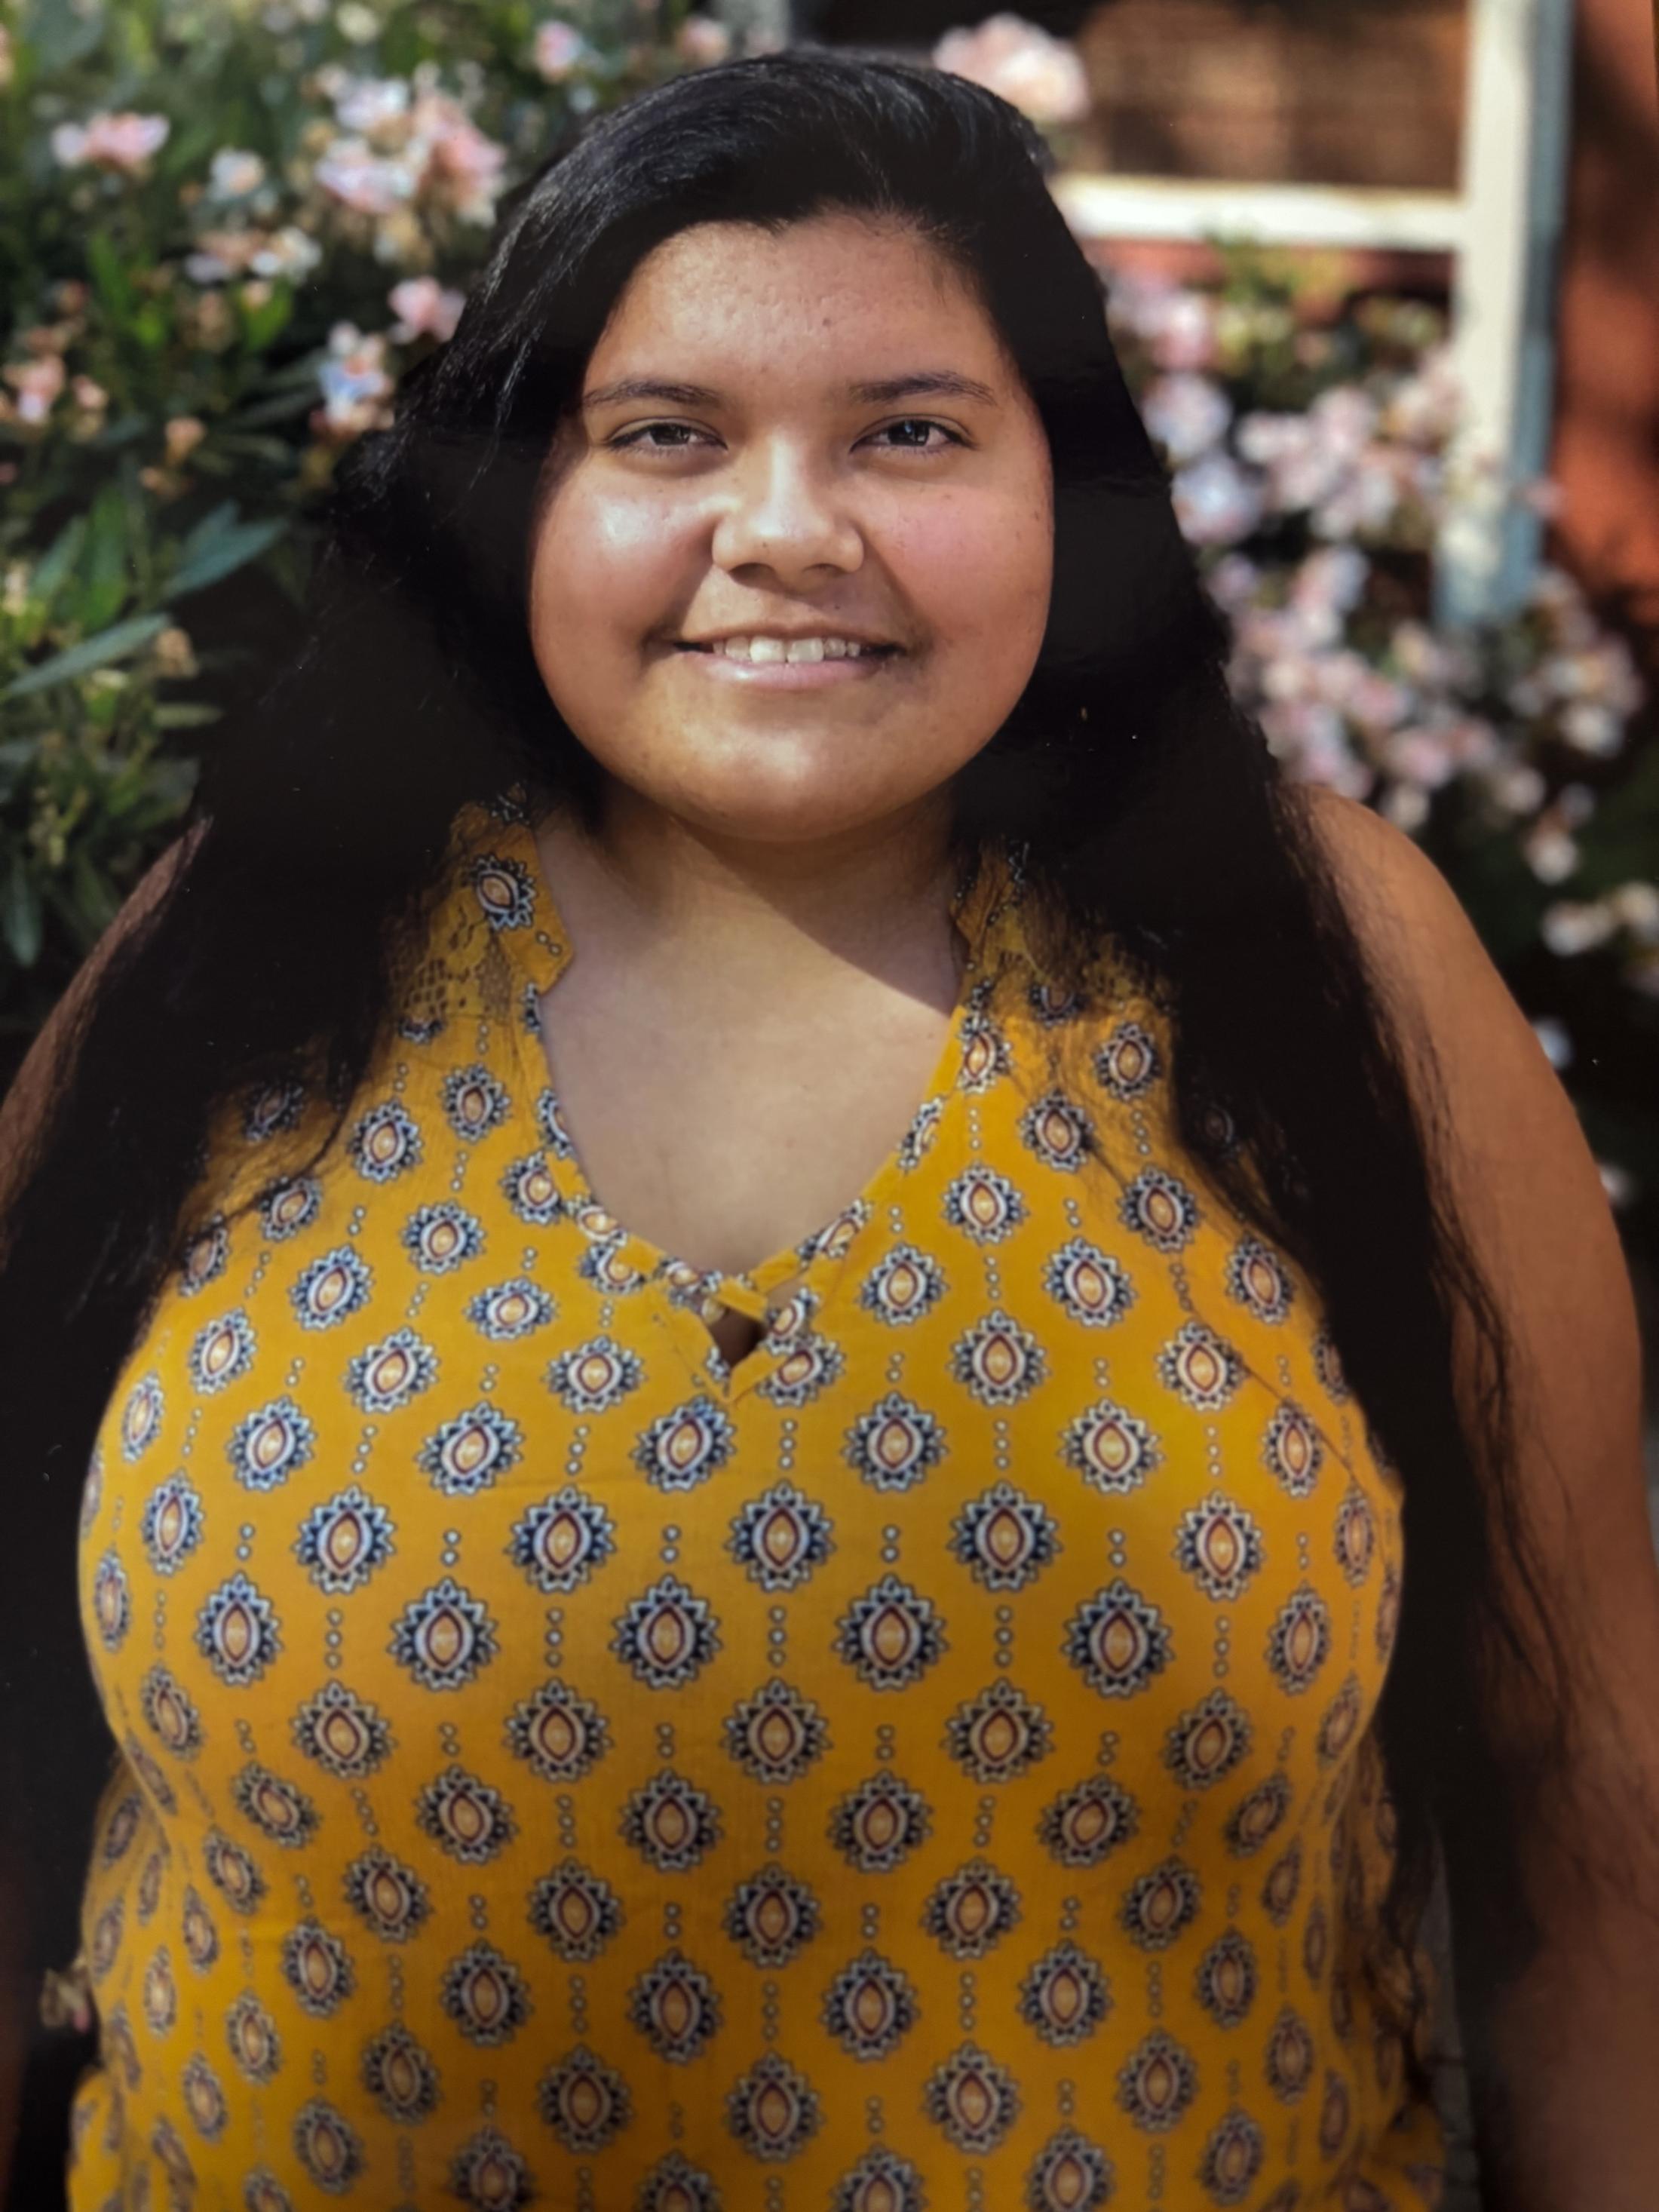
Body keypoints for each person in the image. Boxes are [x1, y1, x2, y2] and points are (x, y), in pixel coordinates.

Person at [1, 47, 1655, 2212]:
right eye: (664, 434)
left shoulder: (1331, 955)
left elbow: (1586, 1835)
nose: (786, 531)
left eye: (911, 432)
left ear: (1068, 489)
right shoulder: (249, 951)